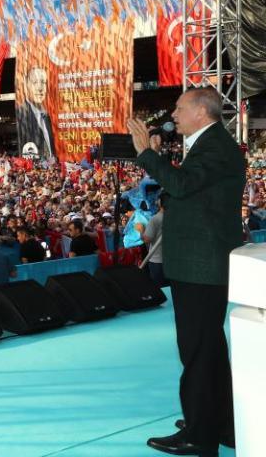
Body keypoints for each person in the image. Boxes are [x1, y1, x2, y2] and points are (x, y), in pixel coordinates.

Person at [130, 88, 244, 456]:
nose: (173, 113)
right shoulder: (212, 145)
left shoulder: (215, 147)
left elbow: (179, 185)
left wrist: (147, 154)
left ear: (200, 111)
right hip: (200, 263)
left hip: (201, 265)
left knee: (196, 349)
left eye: (179, 108)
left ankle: (200, 434)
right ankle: (219, 423)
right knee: (208, 348)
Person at [16, 67, 55, 158]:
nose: (40, 88)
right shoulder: (21, 114)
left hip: (50, 165)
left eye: (43, 82)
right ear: (26, 85)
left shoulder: (46, 116)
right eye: (35, 83)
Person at [140, 193, 167, 287]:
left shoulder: (155, 219)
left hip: (157, 261)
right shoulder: (175, 218)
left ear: (159, 203)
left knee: (160, 289)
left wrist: (141, 230)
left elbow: (146, 240)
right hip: (171, 260)